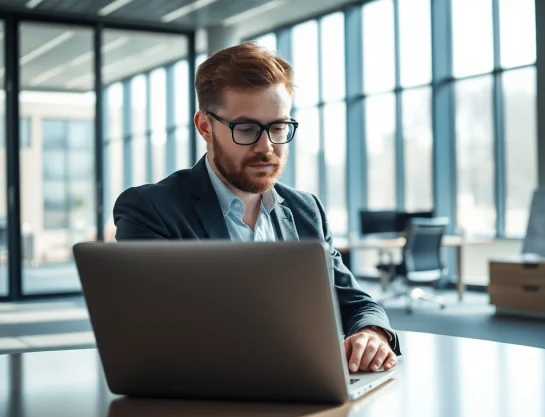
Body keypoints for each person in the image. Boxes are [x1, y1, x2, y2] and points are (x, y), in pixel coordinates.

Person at [112, 42, 399, 373]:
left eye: (278, 127)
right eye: (246, 129)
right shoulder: (150, 210)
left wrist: (372, 333)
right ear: (205, 126)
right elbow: (156, 331)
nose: (267, 147)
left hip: (304, 394)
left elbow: (355, 301)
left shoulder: (307, 211)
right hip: (202, 400)